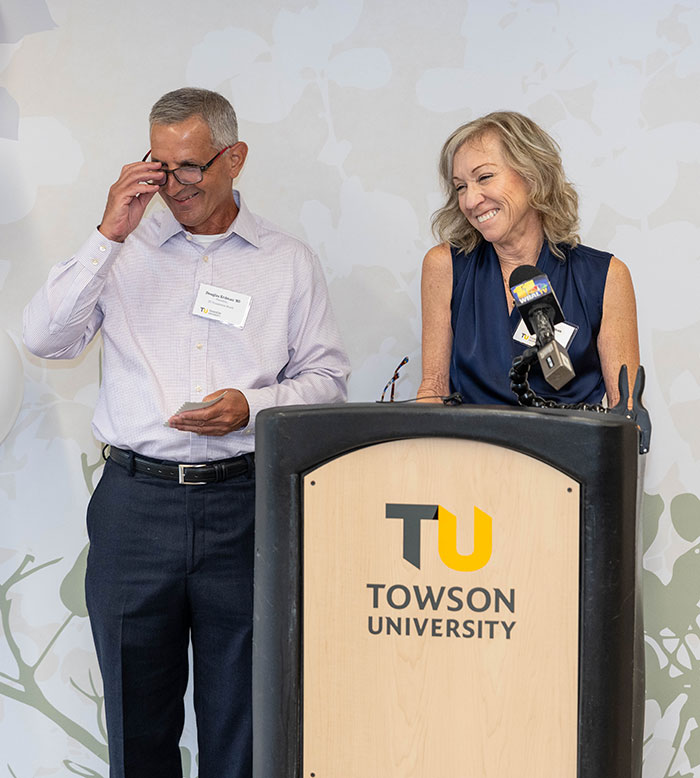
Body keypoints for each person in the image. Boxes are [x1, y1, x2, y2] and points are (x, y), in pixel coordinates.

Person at [23, 87, 349, 778]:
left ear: (235, 158)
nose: (172, 186)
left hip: (246, 506)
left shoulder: (286, 261)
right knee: (138, 724)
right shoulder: (121, 252)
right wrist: (108, 231)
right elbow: (44, 340)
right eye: (158, 166)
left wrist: (253, 407)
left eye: (190, 168)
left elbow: (327, 380)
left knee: (244, 724)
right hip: (135, 507)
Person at [418, 111, 639, 407]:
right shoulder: (444, 266)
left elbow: (627, 411)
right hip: (470, 450)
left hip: (565, 451)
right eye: (461, 187)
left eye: (484, 177)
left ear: (533, 175)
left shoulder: (606, 277)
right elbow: (432, 388)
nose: (470, 201)